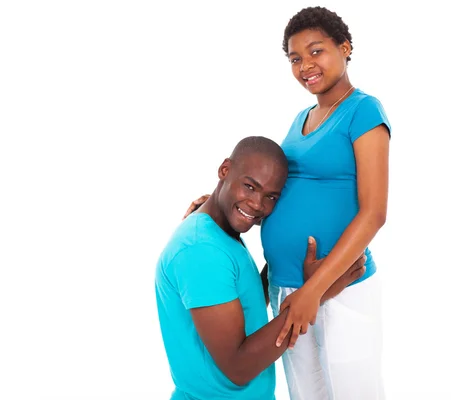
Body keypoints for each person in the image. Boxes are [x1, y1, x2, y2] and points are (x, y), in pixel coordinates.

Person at [183, 7, 391, 400]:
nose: (305, 66)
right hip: (286, 287)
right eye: (295, 58)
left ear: (345, 48)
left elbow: (374, 212)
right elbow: (284, 195)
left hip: (339, 287)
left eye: (316, 52)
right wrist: (219, 204)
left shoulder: (364, 111)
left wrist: (315, 288)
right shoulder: (301, 119)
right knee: (306, 395)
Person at [156, 136, 366, 400]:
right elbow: (238, 367)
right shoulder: (201, 250)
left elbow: (245, 304)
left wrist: (299, 273)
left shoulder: (221, 234)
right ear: (224, 170)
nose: (257, 204)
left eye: (271, 196)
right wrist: (317, 292)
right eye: (249, 186)